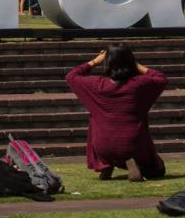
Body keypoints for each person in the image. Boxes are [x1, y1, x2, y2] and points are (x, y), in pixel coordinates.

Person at [66, 43, 168, 182]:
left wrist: (96, 60)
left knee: (97, 118)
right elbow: (160, 78)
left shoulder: (97, 84)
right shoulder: (138, 84)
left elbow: (71, 76)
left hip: (103, 145)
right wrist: (133, 63)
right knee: (158, 170)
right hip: (133, 145)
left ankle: (106, 164)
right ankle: (135, 164)